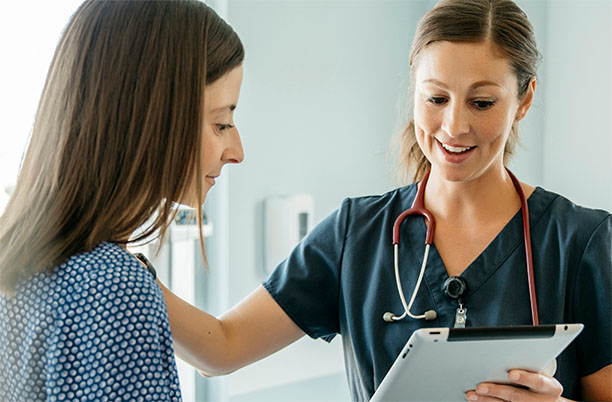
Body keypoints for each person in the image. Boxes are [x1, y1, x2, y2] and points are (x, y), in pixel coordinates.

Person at [159, 0, 611, 401]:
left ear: (524, 100)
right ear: (413, 90)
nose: (454, 126)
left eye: (482, 103)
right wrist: (121, 263)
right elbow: (221, 347)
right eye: (435, 97)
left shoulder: (581, 241)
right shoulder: (356, 233)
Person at [0, 1, 244, 400]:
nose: (236, 151)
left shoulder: (21, 268)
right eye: (221, 123)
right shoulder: (116, 289)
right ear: (152, 115)